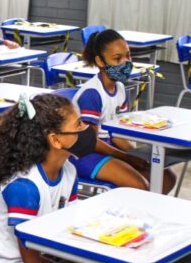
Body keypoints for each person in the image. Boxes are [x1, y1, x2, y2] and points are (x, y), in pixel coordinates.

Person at [0, 93, 141, 263]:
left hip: (49, 256)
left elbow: (69, 228)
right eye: (78, 125)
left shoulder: (68, 170)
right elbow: (32, 262)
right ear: (55, 140)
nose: (86, 130)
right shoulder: (24, 187)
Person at [72, 29, 176, 193]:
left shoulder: (120, 88)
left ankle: (144, 208)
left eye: (128, 56)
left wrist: (135, 154)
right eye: (117, 58)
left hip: (109, 148)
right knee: (140, 186)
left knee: (167, 177)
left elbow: (118, 134)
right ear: (100, 61)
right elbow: (90, 142)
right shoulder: (92, 94)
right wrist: (126, 157)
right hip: (85, 154)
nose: (125, 62)